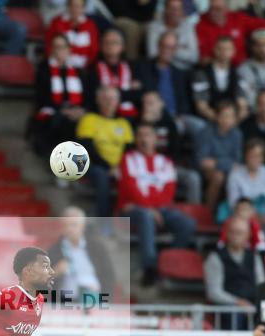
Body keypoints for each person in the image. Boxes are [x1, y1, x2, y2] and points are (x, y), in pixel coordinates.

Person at [118, 122, 194, 286]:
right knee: (146, 216)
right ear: (135, 139)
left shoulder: (165, 162)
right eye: (140, 135)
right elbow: (130, 188)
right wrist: (150, 209)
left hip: (161, 209)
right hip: (133, 208)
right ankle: (150, 267)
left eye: (147, 135)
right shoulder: (128, 159)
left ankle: (169, 262)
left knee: (187, 224)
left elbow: (169, 191)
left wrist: (155, 209)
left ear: (155, 139)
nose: (144, 139)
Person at [77, 86, 133, 218]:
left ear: (118, 102)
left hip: (118, 167)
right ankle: (103, 221)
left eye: (112, 99)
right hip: (93, 165)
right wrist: (109, 167)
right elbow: (87, 149)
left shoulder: (123, 123)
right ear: (98, 100)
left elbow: (129, 150)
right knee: (102, 175)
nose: (109, 103)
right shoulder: (89, 119)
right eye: (105, 99)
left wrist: (120, 167)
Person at [137, 90, 201, 204]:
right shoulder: (137, 123)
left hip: (166, 166)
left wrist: (164, 167)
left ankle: (193, 211)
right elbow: (133, 151)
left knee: (193, 178)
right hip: (141, 167)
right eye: (145, 103)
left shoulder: (170, 124)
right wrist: (146, 123)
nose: (147, 106)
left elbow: (175, 151)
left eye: (151, 103)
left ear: (161, 104)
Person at [45, 205, 116, 305]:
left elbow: (108, 275)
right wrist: (55, 272)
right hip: (65, 301)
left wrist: (105, 300)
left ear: (83, 226)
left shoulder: (97, 248)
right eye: (66, 225)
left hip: (93, 298)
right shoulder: (53, 251)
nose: (70, 229)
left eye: (74, 225)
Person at [29, 34, 86, 156]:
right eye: (56, 47)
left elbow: (86, 96)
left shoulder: (78, 71)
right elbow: (42, 98)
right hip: (53, 111)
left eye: (62, 47)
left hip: (75, 111)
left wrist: (80, 109)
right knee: (64, 123)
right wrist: (64, 110)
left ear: (69, 49)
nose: (59, 51)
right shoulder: (44, 70)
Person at [204, 217, 265, 327]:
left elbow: (262, 286)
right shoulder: (215, 257)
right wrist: (237, 302)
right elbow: (214, 292)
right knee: (234, 314)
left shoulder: (254, 257)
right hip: (228, 307)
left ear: (248, 235)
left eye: (240, 233)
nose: (235, 236)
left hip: (252, 304)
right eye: (232, 232)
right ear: (226, 233)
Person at [195, 100, 243, 209]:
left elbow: (238, 161)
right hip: (206, 172)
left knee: (240, 174)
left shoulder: (237, 134)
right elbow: (202, 162)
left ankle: (234, 212)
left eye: (231, 116)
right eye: (224, 116)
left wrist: (217, 162)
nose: (227, 120)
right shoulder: (205, 133)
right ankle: (208, 211)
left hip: (228, 170)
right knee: (218, 176)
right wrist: (228, 163)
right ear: (217, 117)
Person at [194, 0, 265, 66]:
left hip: (241, 66)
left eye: (218, 9)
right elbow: (203, 58)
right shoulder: (200, 23)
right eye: (211, 9)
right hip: (215, 68)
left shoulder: (238, 18)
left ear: (226, 9)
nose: (214, 12)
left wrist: (259, 38)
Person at [135, 32, 192, 119]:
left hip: (178, 118)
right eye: (165, 46)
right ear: (158, 46)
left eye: (172, 48)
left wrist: (182, 116)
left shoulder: (180, 74)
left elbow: (184, 102)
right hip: (154, 116)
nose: (167, 51)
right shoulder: (143, 68)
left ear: (176, 50)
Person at [84, 28, 139, 116]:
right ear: (101, 46)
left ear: (123, 46)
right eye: (107, 42)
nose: (110, 46)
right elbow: (93, 96)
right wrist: (126, 93)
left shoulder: (133, 67)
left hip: (130, 116)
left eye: (115, 42)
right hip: (101, 115)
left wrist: (110, 93)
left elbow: (138, 94)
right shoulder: (92, 69)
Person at [191, 36, 247, 124]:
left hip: (232, 121)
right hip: (209, 120)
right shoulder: (201, 73)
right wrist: (220, 121)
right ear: (214, 50)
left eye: (228, 49)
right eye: (221, 49)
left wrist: (234, 121)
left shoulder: (239, 74)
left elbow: (242, 105)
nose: (224, 52)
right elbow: (201, 106)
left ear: (233, 52)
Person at [225, 138, 265, 224]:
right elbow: (233, 202)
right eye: (252, 155)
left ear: (263, 157)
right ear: (245, 156)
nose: (255, 159)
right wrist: (254, 216)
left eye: (258, 155)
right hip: (241, 216)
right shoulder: (235, 174)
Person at [144, 0, 198, 70]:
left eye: (178, 9)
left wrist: (166, 48)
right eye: (171, 8)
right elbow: (152, 54)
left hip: (184, 72)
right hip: (160, 70)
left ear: (182, 11)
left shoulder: (188, 27)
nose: (174, 12)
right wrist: (180, 47)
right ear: (165, 9)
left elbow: (194, 57)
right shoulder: (154, 27)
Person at [45, 0, 98, 70]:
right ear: (68, 6)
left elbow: (94, 50)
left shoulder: (90, 25)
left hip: (84, 69)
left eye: (78, 6)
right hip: (59, 66)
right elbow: (49, 45)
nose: (75, 9)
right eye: (72, 5)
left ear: (83, 8)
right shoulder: (56, 22)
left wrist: (86, 65)